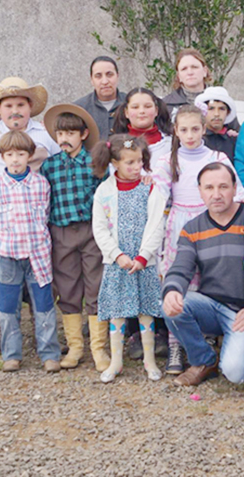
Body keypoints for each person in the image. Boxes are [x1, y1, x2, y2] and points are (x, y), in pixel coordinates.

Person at [0, 77, 58, 355]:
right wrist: (0, 190)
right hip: (2, 221)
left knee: (41, 278)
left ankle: (44, 336)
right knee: (1, 280)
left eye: (20, 105)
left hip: (38, 219)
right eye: (8, 106)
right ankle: (3, 337)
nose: (14, 110)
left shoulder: (44, 134)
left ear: (30, 107)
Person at [153, 105, 244, 374]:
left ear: (204, 129)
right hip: (181, 221)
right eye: (184, 130)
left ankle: (206, 336)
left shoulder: (216, 157)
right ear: (176, 131)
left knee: (205, 281)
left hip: (214, 220)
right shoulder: (168, 160)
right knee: (177, 282)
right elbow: (158, 196)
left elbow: (237, 190)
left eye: (195, 128)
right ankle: (176, 345)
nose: (190, 134)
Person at [162, 163, 244, 386]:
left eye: (223, 187)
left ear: (235, 188)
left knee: (236, 373)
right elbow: (180, 268)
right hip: (211, 306)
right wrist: (171, 291)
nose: (216, 194)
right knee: (172, 302)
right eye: (209, 188)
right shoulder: (193, 228)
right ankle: (203, 360)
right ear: (200, 191)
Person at [91, 135, 169, 382]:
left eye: (139, 161)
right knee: (117, 311)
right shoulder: (104, 191)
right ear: (114, 162)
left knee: (146, 310)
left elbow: (157, 222)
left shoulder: (150, 188)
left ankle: (149, 360)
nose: (136, 167)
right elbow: (99, 227)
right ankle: (116, 362)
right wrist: (117, 255)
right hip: (119, 263)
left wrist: (144, 256)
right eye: (130, 163)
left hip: (142, 262)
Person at [40, 103, 109, 372]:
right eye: (60, 134)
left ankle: (99, 349)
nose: (64, 139)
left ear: (82, 135)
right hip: (61, 232)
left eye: (70, 133)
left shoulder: (95, 163)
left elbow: (105, 198)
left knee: (95, 285)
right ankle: (76, 348)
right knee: (67, 288)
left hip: (92, 231)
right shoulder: (49, 166)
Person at [0, 130, 62, 373]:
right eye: (10, 154)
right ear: (2, 157)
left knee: (44, 305)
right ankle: (11, 354)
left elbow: (46, 215)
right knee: (8, 307)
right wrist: (6, 241)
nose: (15, 159)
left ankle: (49, 353)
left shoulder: (41, 184)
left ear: (30, 156)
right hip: (8, 254)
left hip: (37, 254)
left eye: (21, 154)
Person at [111, 87, 173, 160]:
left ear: (156, 110)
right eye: (135, 107)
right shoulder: (117, 145)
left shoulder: (171, 143)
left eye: (147, 106)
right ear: (126, 112)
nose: (142, 111)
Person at [75, 56, 127, 141]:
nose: (105, 81)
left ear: (117, 76)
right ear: (92, 80)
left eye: (109, 74)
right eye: (98, 76)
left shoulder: (131, 104)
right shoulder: (79, 108)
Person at [194, 86, 238, 161]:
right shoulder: (195, 139)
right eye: (211, 109)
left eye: (222, 109)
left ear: (228, 112)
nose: (216, 114)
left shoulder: (234, 141)